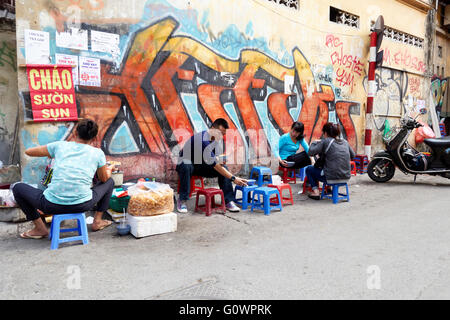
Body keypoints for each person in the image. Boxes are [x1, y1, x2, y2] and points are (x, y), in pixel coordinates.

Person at [12, 119, 115, 239]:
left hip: (51, 205)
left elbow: (28, 151)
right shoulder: (97, 153)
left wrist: (50, 152)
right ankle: (97, 221)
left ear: (75, 133)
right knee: (110, 181)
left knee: (18, 188)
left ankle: (40, 228)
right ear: (94, 137)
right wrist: (110, 169)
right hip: (83, 205)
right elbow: (104, 178)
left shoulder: (59, 146)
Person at [176, 118, 247, 213]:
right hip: (185, 164)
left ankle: (228, 200)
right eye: (220, 133)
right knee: (186, 164)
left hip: (200, 166)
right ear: (212, 128)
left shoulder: (215, 140)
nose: (221, 137)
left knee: (223, 168)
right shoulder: (202, 139)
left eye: (223, 134)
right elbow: (214, 164)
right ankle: (182, 200)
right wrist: (234, 178)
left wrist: (221, 160)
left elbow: (215, 160)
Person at [305, 122, 355, 200]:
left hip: (331, 178)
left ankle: (316, 192)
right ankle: (329, 188)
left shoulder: (326, 141)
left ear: (325, 133)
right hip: (346, 177)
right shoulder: (345, 142)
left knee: (309, 169)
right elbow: (353, 155)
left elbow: (310, 152)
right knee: (329, 165)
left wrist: (314, 142)